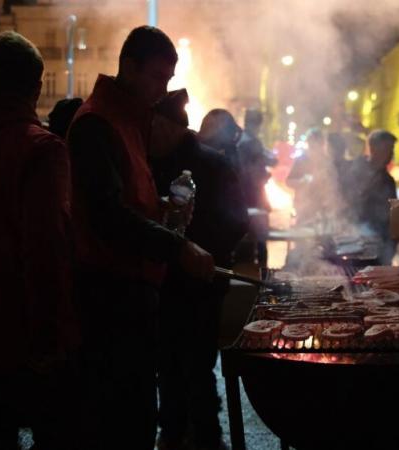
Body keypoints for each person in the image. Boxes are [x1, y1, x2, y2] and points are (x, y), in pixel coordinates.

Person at [67, 26, 214, 450]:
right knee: (120, 422)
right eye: (156, 77)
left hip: (133, 292)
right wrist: (178, 246)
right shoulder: (98, 123)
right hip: (108, 297)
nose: (162, 89)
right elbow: (106, 215)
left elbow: (129, 202)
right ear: (128, 68)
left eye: (168, 79)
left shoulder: (129, 119)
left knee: (136, 417)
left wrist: (164, 210)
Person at [0, 31, 79, 450]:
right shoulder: (39, 150)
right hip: (12, 335)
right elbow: (46, 247)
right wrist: (50, 339)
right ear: (38, 87)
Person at [151, 94, 248, 450]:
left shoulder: (213, 164)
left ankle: (207, 433)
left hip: (203, 281)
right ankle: (172, 430)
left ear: (175, 126)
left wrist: (200, 246)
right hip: (161, 279)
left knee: (198, 360)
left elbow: (238, 221)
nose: (151, 132)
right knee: (166, 362)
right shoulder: (151, 160)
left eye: (156, 125)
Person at [350, 130, 398, 264]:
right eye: (388, 149)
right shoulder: (356, 171)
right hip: (357, 243)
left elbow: (391, 212)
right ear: (373, 148)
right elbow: (349, 204)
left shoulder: (388, 179)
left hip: (382, 243)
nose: (392, 154)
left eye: (392, 149)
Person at [237, 108, 276, 266]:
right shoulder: (250, 143)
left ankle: (251, 282)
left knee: (247, 244)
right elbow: (269, 162)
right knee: (256, 244)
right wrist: (263, 175)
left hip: (246, 200)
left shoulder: (241, 140)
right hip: (252, 200)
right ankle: (258, 282)